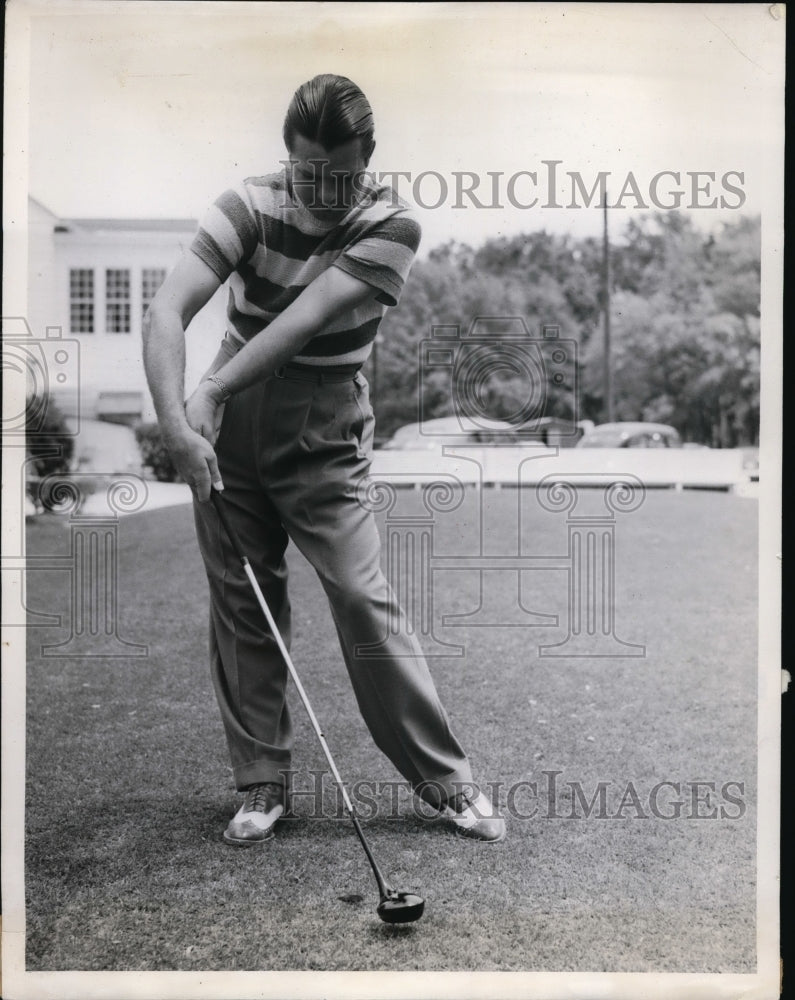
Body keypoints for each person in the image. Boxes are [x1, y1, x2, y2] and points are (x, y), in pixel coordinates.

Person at [142, 73, 505, 846]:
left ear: (366, 161)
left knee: (359, 595)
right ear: (287, 157)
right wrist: (179, 422)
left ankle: (446, 782)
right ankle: (261, 783)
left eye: (339, 174)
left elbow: (303, 322)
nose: (322, 190)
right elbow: (167, 309)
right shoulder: (248, 204)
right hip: (230, 423)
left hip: (324, 427)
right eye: (307, 173)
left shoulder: (391, 224)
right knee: (244, 599)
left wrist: (208, 390)